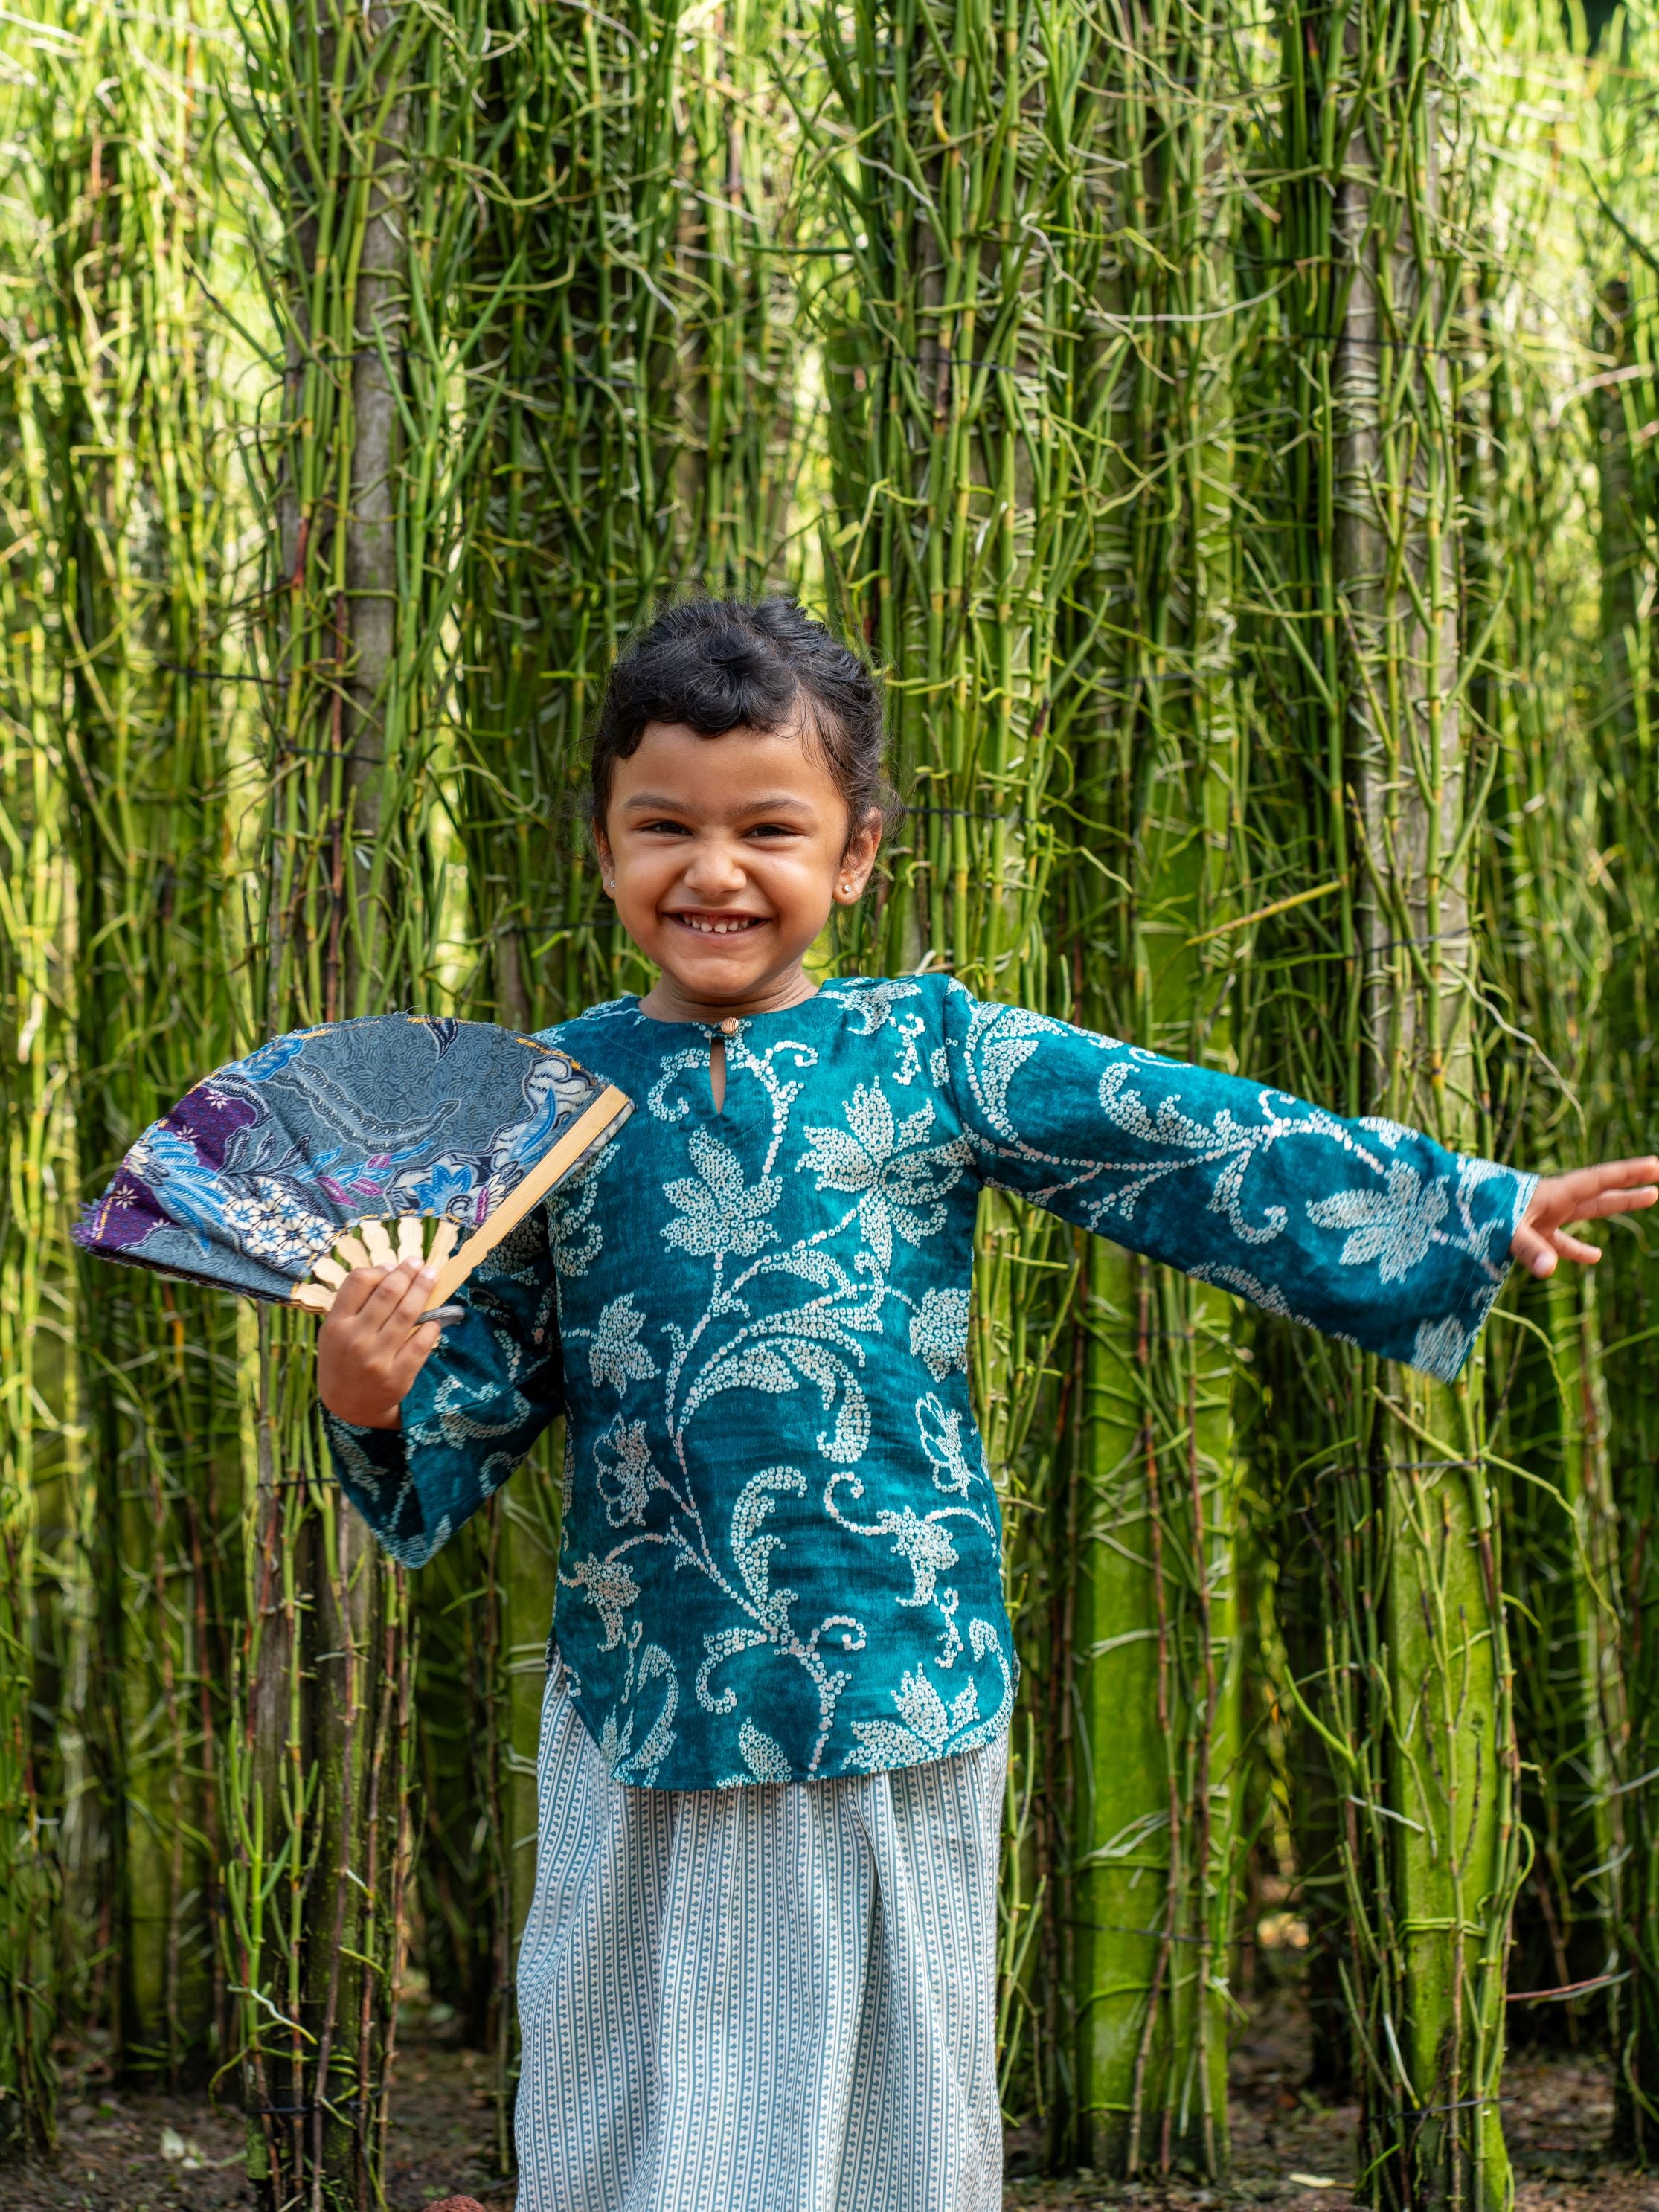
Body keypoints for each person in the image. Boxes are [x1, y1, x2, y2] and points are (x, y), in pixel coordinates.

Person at [317, 599, 1655, 2212]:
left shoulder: (925, 1048)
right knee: (632, 2086)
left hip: (893, 1654)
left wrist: (1457, 1207)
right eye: (661, 825)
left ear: (857, 852)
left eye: (768, 828)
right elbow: (481, 1380)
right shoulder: (542, 1097)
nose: (712, 870)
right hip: (645, 1674)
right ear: (601, 843)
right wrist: (371, 1385)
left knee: (891, 2096)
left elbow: (1186, 1141)